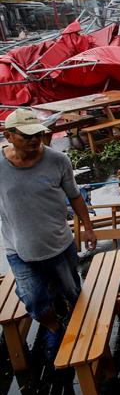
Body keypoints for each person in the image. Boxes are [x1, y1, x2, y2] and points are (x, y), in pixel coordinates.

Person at [1, 109, 97, 361]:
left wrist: (87, 227)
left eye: (38, 134)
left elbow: (75, 196)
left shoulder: (58, 160)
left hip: (59, 244)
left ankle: (83, 332)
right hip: (19, 249)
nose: (34, 140)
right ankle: (54, 328)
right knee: (33, 301)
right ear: (8, 135)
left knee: (72, 293)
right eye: (26, 135)